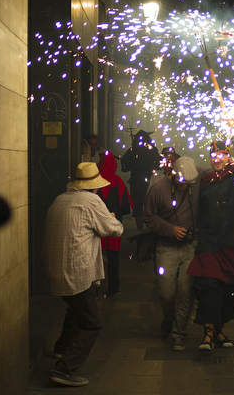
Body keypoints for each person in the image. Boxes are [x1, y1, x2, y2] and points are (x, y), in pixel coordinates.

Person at [42, 162, 124, 386]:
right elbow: (114, 229)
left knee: (75, 309)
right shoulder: (92, 201)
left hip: (54, 271)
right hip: (76, 272)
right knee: (92, 324)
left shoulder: (59, 200)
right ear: (94, 187)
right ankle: (64, 369)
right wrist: (113, 216)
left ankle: (61, 348)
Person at [186, 140, 234, 351]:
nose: (216, 158)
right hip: (209, 241)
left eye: (222, 154)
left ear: (229, 157)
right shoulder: (205, 179)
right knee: (208, 285)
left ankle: (219, 329)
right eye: (213, 155)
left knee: (231, 289)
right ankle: (207, 334)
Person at [143, 156, 206, 352]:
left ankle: (179, 334)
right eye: (181, 182)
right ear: (172, 175)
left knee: (187, 291)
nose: (184, 186)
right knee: (166, 293)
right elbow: (148, 217)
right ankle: (169, 318)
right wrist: (170, 229)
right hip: (165, 247)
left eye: (188, 183)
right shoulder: (157, 189)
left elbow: (217, 170)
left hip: (190, 247)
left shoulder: (197, 180)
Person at [97, 151, 133, 297]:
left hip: (97, 226)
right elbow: (125, 207)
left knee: (96, 257)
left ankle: (95, 288)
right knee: (113, 258)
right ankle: (113, 288)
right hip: (113, 225)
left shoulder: (96, 182)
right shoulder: (118, 182)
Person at [121, 130, 161, 231]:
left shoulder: (133, 150)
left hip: (136, 183)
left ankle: (141, 230)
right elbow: (158, 164)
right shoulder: (152, 150)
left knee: (138, 207)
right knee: (149, 206)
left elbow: (124, 166)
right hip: (148, 182)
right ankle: (147, 230)